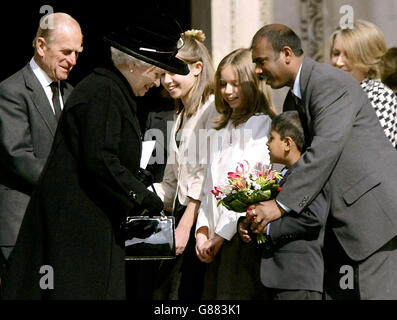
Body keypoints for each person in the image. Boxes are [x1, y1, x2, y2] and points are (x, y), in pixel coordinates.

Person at [1, 12, 189, 300]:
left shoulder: (108, 91)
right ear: (137, 65)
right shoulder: (103, 92)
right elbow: (100, 160)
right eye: (157, 71)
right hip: (78, 241)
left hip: (89, 236)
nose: (159, 82)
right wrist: (146, 199)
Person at [245, 23, 397, 300]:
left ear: (287, 54)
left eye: (261, 61)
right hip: (341, 230)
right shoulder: (296, 96)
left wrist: (278, 206)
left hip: (373, 220)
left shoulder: (327, 82)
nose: (257, 70)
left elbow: (325, 148)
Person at [0, 13, 83, 280]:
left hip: (61, 227)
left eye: (77, 53)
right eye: (66, 51)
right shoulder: (12, 90)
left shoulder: (71, 93)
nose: (73, 60)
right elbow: (18, 156)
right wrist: (73, 183)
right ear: (40, 46)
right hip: (23, 226)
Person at [194, 48, 275, 299]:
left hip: (241, 238)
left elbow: (247, 186)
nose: (228, 91)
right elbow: (210, 187)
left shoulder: (263, 125)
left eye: (235, 84)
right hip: (215, 242)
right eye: (223, 84)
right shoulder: (222, 127)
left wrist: (219, 236)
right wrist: (202, 231)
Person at [152, 29, 217, 300]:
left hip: (197, 224)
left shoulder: (211, 109)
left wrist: (184, 227)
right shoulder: (181, 114)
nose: (167, 80)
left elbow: (203, 177)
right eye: (162, 73)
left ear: (197, 68)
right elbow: (172, 180)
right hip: (176, 217)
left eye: (174, 71)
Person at [238, 111, 329, 300]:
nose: (267, 143)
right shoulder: (283, 175)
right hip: (276, 279)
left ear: (288, 143)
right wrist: (247, 224)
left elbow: (313, 218)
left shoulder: (309, 176)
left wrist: (268, 227)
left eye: (272, 138)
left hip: (297, 279)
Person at [330, 19, 397, 148]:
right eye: (336, 53)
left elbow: (377, 153)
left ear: (367, 57)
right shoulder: (332, 94)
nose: (339, 62)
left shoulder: (381, 96)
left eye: (348, 55)